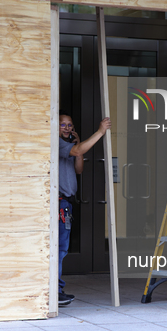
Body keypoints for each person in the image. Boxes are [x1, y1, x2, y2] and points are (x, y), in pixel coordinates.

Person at [58, 113, 111, 306]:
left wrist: (77, 146)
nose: (67, 128)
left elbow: (79, 168)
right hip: (60, 203)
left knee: (61, 248)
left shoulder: (69, 147)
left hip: (67, 202)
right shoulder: (56, 143)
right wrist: (100, 131)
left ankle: (57, 289)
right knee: (59, 248)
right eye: (62, 125)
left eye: (69, 125)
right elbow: (77, 151)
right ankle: (55, 290)